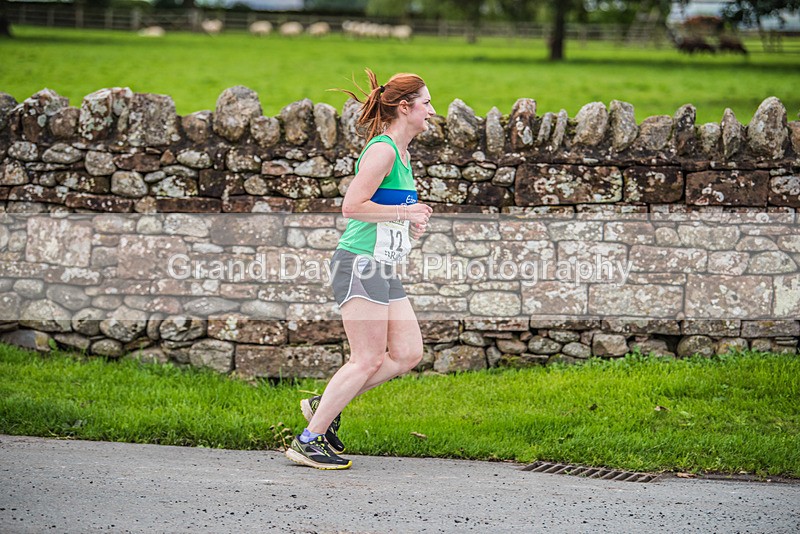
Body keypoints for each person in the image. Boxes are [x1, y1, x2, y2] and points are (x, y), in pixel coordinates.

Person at [285, 69, 436, 470]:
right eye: (426, 103)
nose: (431, 111)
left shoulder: (403, 155)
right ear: (405, 108)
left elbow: (382, 212)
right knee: (366, 358)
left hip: (383, 265)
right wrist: (406, 211)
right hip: (359, 263)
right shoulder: (382, 150)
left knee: (407, 353)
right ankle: (308, 440)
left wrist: (409, 222)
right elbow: (352, 207)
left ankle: (326, 402)